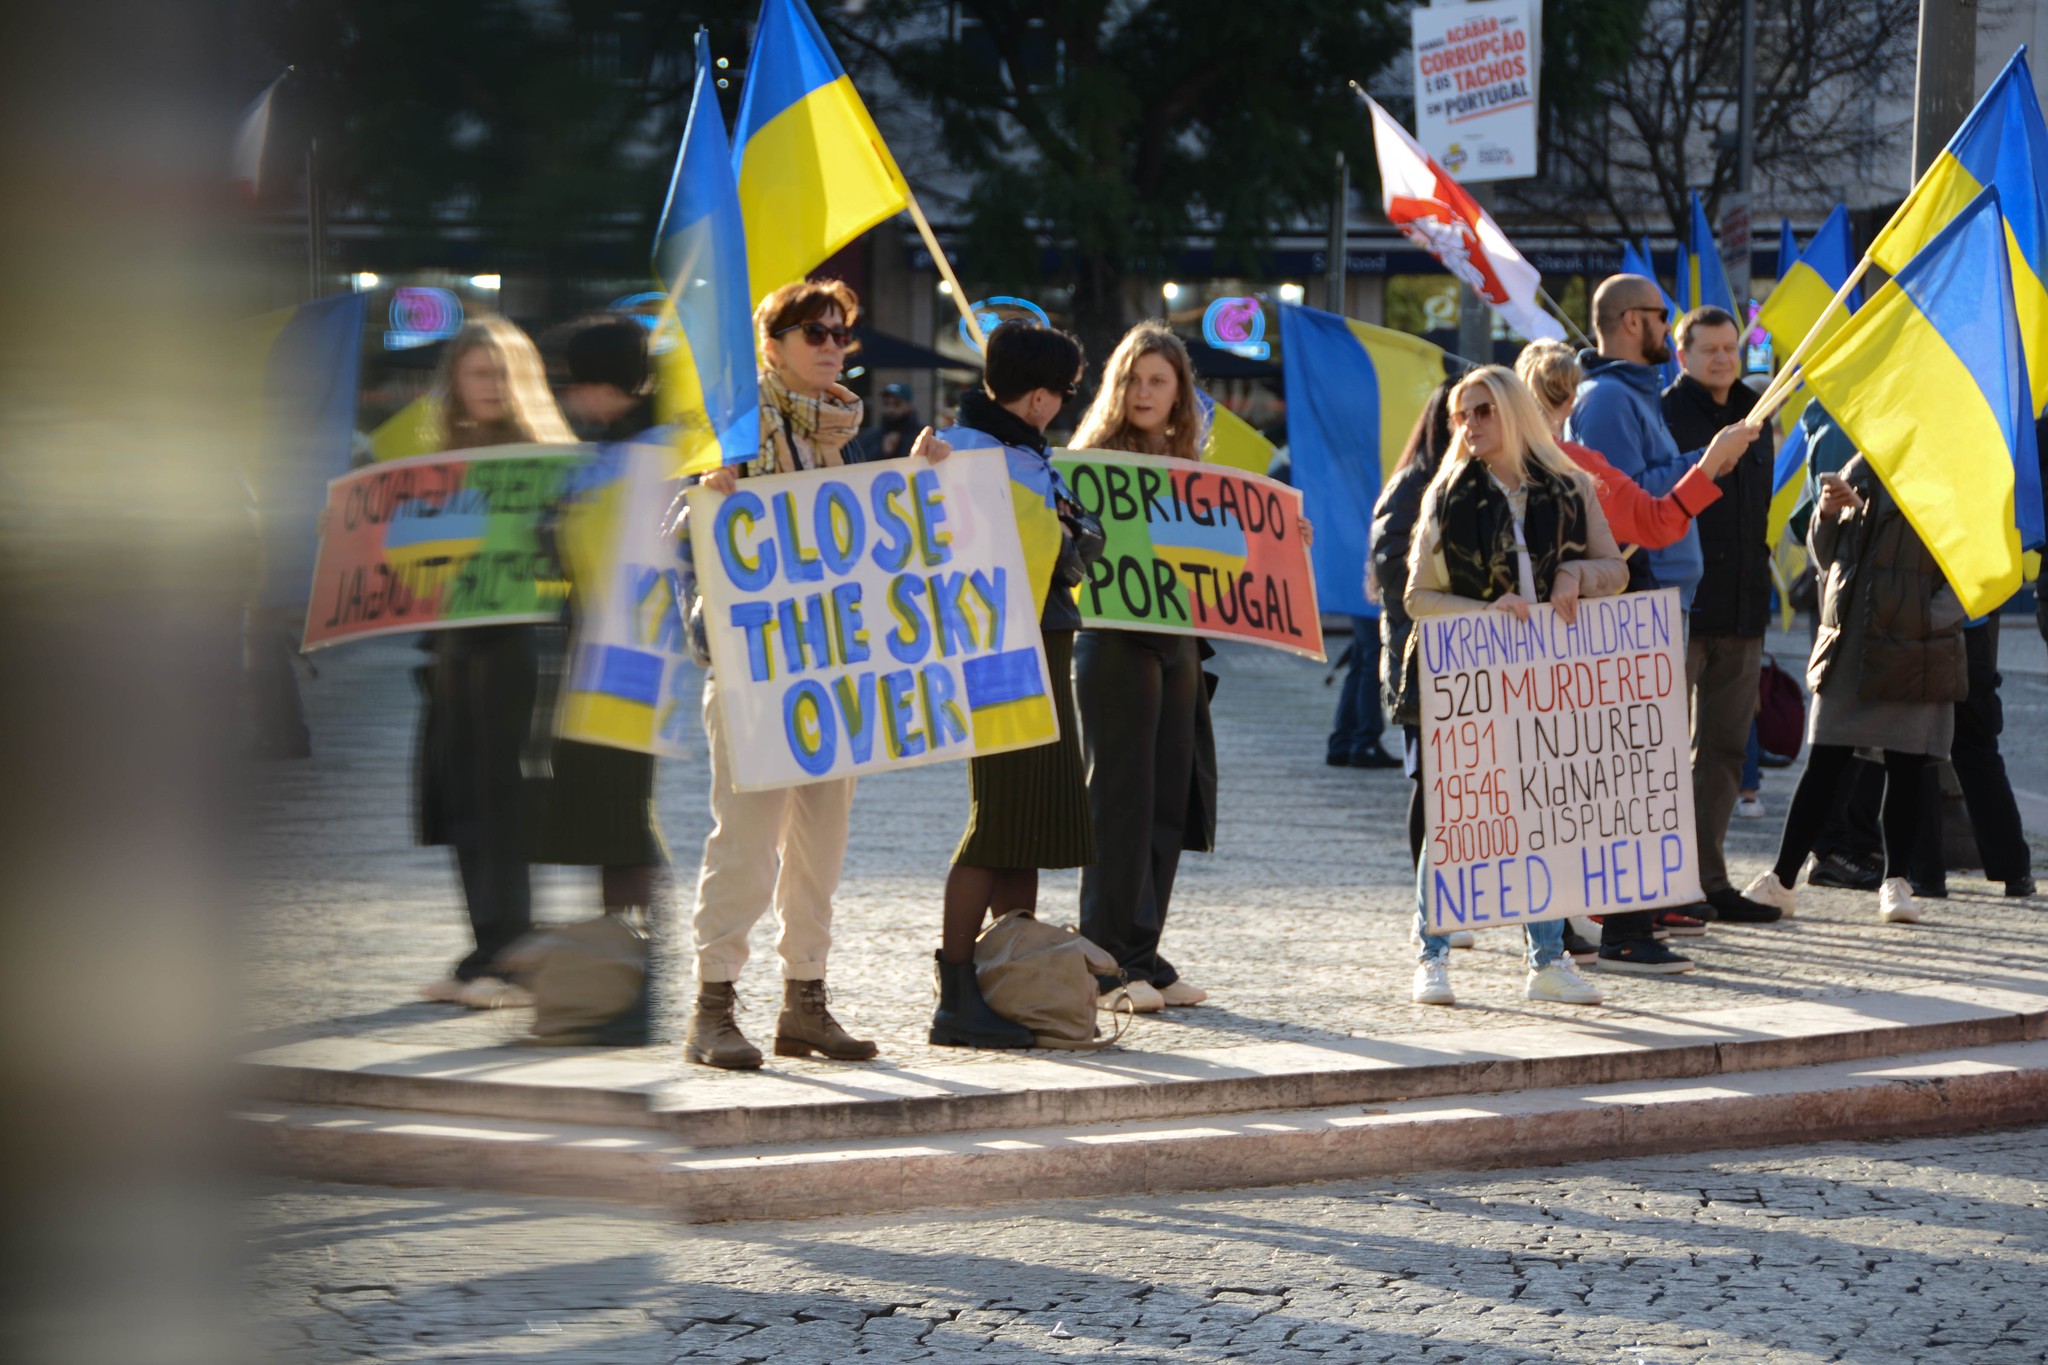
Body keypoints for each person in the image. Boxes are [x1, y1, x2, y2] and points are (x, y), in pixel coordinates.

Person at [680, 279, 878, 1070]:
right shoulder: (734, 429)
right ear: (772, 346)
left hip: (831, 664)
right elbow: (683, 529)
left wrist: (922, 475)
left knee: (820, 844)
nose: (831, 346)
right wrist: (706, 496)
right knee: (748, 841)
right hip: (755, 668)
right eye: (813, 333)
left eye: (839, 333)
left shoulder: (839, 428)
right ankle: (713, 1007)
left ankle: (805, 1002)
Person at [1403, 366, 1628, 1005]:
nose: (1470, 424)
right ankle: (1431, 956)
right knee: (1456, 817)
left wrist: (1576, 576)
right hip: (1469, 677)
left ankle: (1547, 962)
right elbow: (1418, 597)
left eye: (1483, 411)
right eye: (1462, 414)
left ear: (1514, 413)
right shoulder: (1446, 496)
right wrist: (1485, 612)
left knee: (1545, 816)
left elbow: (1615, 570)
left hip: (1550, 678)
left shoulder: (1571, 486)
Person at [1517, 337, 1750, 947]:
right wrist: (1710, 465)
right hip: (1594, 644)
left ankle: (1554, 928)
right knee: (1618, 784)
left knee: (1548, 789)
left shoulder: (1493, 467)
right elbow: (1656, 521)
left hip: (1519, 650)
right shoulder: (1577, 464)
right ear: (1570, 398)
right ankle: (1621, 928)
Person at [924, 321, 1101, 1048]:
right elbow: (1073, 544)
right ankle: (957, 992)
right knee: (998, 818)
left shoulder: (1020, 453)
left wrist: (1069, 533)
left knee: (1025, 823)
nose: (1062, 405)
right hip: (999, 654)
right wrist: (1067, 534)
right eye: (1064, 392)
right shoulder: (962, 453)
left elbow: (1081, 540)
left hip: (1038, 644)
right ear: (1037, 397)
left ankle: (1009, 980)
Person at [413, 318, 579, 1009]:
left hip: (521, 647)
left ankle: (511, 955)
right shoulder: (431, 466)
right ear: (454, 380)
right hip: (454, 649)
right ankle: (485, 950)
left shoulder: (552, 462)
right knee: (461, 801)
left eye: (503, 373)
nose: (492, 386)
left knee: (505, 801)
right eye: (479, 372)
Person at [1067, 323, 1220, 1012]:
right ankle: (1105, 965)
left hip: (1177, 643)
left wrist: (1278, 540)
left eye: (1159, 380)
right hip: (1113, 643)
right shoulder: (1089, 463)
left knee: (1167, 800)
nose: (1145, 392)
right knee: (1119, 804)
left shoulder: (1195, 469)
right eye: (1133, 378)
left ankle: (1142, 953)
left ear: (1181, 391)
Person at [1743, 455, 1967, 924]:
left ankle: (1896, 882)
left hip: (1912, 645)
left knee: (1906, 764)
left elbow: (1970, 568)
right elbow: (1826, 558)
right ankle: (1782, 880)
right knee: (1825, 763)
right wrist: (1825, 513)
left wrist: (1929, 619)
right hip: (1850, 644)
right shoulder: (1859, 467)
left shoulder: (1945, 470)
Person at [530, 318, 668, 952]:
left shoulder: (648, 454)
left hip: (628, 653)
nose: (567, 395)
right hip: (600, 645)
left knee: (618, 808)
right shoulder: (617, 448)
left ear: (599, 383)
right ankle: (624, 944)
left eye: (572, 381)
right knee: (608, 808)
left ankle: (632, 951)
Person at [1661, 307, 1781, 924]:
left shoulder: (1758, 413)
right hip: (1677, 607)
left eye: (1730, 348)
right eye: (1709, 349)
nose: (1722, 359)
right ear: (1682, 355)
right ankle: (1662, 883)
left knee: (1726, 752)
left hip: (1741, 607)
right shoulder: (1662, 413)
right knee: (1661, 752)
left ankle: (1709, 879)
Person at [1371, 382, 1475, 954]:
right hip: (1423, 662)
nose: (1475, 425)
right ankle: (1429, 909)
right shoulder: (1413, 485)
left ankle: (1457, 899)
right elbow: (1392, 571)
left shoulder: (1481, 482)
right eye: (1465, 414)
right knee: (1432, 785)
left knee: (1465, 787)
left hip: (1473, 660)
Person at [858, 381, 920, 463]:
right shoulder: (870, 438)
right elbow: (860, 464)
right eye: (886, 404)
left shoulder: (921, 436)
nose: (891, 409)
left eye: (897, 404)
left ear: (909, 406)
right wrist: (882, 451)